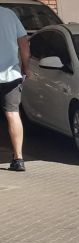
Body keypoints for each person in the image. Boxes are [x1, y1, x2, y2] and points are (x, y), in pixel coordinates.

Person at [0, 5, 29, 172]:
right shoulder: (10, 15)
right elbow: (24, 45)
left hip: (10, 74)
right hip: (11, 75)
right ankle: (18, 158)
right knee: (13, 114)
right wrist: (26, 67)